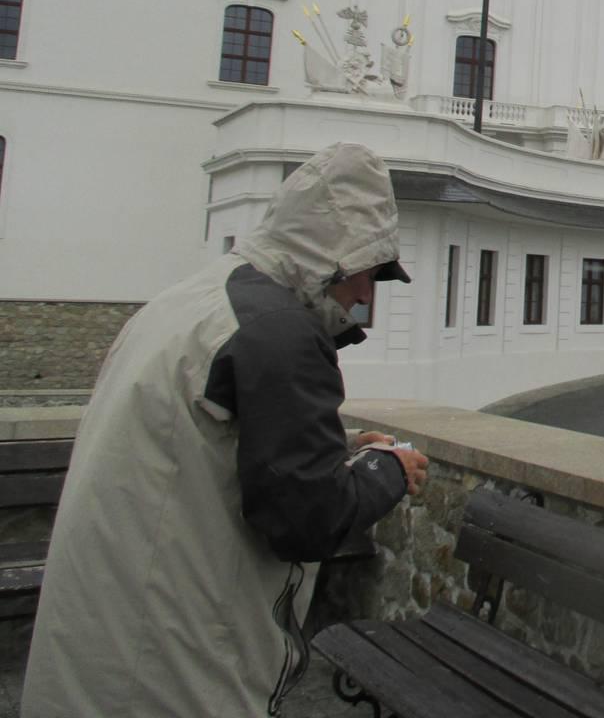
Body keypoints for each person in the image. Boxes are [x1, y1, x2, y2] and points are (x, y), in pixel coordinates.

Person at [23, 143, 429, 717]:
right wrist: (387, 468)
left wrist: (341, 446)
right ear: (334, 256)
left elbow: (214, 437)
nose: (366, 295)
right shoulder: (279, 330)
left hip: (101, 633)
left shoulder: (192, 300)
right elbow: (308, 519)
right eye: (370, 272)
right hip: (171, 661)